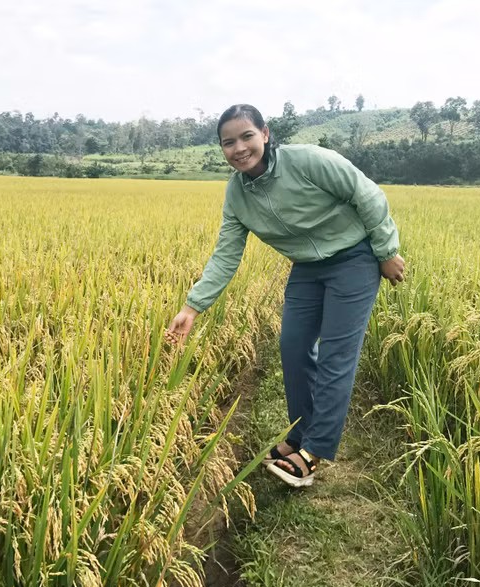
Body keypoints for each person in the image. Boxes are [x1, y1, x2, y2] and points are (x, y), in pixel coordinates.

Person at [166, 104, 405, 488]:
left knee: (335, 356)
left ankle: (312, 452)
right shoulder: (237, 195)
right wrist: (192, 308)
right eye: (228, 143)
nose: (239, 148)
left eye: (246, 136)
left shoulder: (308, 160)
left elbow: (367, 194)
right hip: (307, 268)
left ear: (265, 133)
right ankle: (299, 433)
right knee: (293, 348)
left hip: (354, 259)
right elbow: (226, 253)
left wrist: (386, 251)